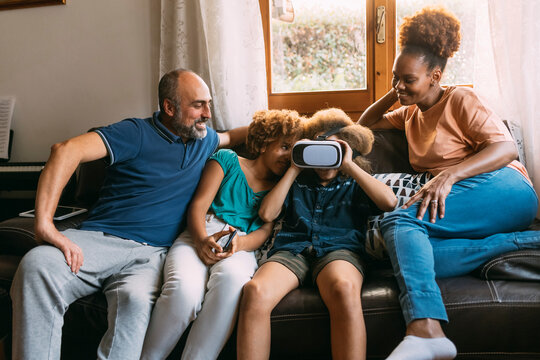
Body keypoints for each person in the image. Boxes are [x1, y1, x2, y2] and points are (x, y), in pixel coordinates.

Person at [10, 69, 248, 360]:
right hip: (99, 241)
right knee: (36, 265)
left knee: (135, 303)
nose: (208, 113)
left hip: (151, 257)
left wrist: (290, 129)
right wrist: (45, 225)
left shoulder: (204, 139)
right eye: (198, 105)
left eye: (209, 104)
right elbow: (64, 151)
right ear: (169, 107)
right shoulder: (135, 132)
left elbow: (233, 136)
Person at [358, 7, 540, 360]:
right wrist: (397, 90)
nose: (400, 85)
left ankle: (426, 329)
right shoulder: (409, 113)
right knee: (409, 255)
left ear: (435, 76)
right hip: (471, 205)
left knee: (398, 219)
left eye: (408, 79)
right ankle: (526, 242)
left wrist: (450, 175)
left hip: (504, 188)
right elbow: (365, 125)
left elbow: (505, 148)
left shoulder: (461, 100)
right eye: (397, 77)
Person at [140, 109, 304, 360]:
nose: (287, 156)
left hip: (241, 244)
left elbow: (265, 229)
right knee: (184, 293)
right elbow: (197, 206)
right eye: (283, 146)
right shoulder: (226, 159)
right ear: (262, 144)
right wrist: (200, 239)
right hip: (201, 231)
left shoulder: (281, 189)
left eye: (293, 152)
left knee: (232, 283)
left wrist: (240, 244)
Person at [237, 108, 398, 360]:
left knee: (344, 288)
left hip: (340, 251)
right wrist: (295, 167)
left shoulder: (355, 181)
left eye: (331, 150)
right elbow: (267, 214)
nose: (324, 158)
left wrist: (349, 164)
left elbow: (389, 202)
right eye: (318, 149)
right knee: (254, 291)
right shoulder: (298, 180)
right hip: (292, 250)